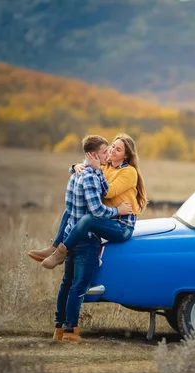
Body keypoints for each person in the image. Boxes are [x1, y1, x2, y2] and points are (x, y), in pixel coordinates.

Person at [50, 134, 132, 343]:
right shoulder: (89, 177)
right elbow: (96, 210)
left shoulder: (80, 173)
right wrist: (118, 211)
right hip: (86, 239)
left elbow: (104, 188)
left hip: (71, 233)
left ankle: (59, 329)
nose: (108, 154)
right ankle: (70, 331)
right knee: (79, 287)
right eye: (106, 151)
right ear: (95, 154)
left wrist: (90, 167)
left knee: (66, 283)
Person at [28, 133, 147, 269]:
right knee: (69, 211)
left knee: (88, 219)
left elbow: (108, 192)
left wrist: (97, 170)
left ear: (125, 156)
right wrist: (75, 167)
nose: (113, 150)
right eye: (113, 146)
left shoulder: (129, 172)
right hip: (109, 217)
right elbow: (88, 169)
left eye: (118, 149)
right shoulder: (105, 165)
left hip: (122, 226)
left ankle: (60, 253)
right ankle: (54, 247)